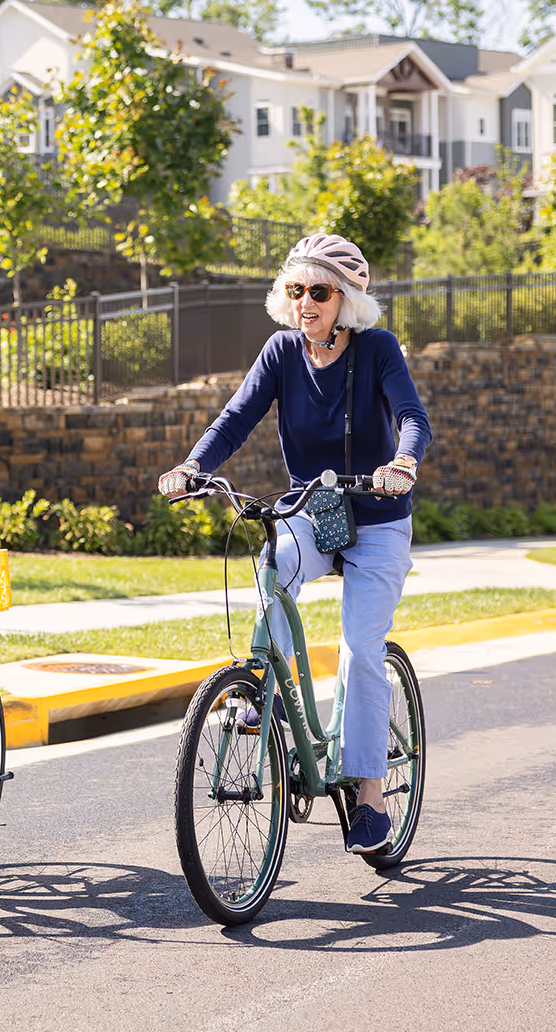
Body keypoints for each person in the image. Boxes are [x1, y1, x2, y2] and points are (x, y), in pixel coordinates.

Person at [160, 234, 430, 855]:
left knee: (361, 648)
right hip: (313, 508)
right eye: (295, 289)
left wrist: (404, 462)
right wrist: (193, 466)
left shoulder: (378, 350)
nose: (305, 302)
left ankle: (369, 794)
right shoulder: (282, 352)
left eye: (319, 291)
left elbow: (413, 416)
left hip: (380, 512)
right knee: (272, 565)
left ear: (347, 300)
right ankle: (265, 693)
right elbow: (235, 417)